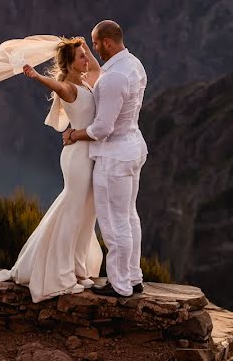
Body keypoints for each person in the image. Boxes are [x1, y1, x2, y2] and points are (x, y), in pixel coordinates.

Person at [0, 37, 104, 302]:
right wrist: (36, 75)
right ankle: (60, 276)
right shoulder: (70, 87)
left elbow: (96, 68)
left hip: (89, 155)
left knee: (86, 212)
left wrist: (83, 45)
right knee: (73, 213)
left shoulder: (86, 79)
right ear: (71, 65)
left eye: (86, 55)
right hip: (77, 158)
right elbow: (56, 85)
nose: (87, 59)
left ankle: (78, 268)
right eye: (81, 57)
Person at [62, 20, 148, 298]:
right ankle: (133, 277)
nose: (94, 49)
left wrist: (74, 135)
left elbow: (102, 129)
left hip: (114, 158)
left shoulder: (113, 78)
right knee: (130, 218)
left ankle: (120, 284)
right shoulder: (134, 64)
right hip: (133, 147)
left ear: (107, 43)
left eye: (96, 43)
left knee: (114, 223)